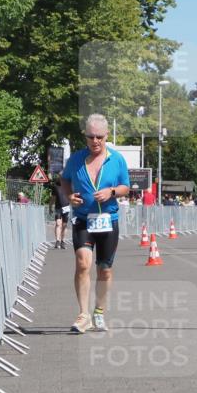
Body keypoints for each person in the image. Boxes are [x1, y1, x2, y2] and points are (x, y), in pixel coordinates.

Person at [61, 113, 130, 333]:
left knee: (104, 270)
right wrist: (69, 196)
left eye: (99, 137)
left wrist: (111, 192)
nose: (95, 141)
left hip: (108, 221)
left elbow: (126, 187)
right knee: (83, 263)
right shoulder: (76, 159)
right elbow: (64, 180)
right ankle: (83, 315)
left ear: (106, 135)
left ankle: (99, 311)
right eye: (91, 137)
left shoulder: (116, 159)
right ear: (85, 136)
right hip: (83, 219)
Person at [51, 175, 70, 249]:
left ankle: (63, 241)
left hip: (66, 208)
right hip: (58, 208)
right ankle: (57, 241)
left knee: (64, 225)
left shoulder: (68, 186)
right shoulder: (55, 187)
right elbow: (53, 198)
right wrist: (50, 206)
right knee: (58, 224)